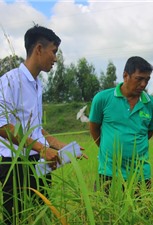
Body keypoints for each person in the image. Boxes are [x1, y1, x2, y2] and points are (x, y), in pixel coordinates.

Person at [0, 25, 72, 224]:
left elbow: (36, 127)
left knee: (40, 217)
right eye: (54, 52)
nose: (55, 58)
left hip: (38, 163)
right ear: (39, 49)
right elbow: (3, 126)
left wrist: (60, 146)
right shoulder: (9, 81)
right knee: (15, 218)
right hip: (14, 165)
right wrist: (42, 150)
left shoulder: (37, 84)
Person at [89, 56, 153, 192]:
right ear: (125, 75)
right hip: (108, 171)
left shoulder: (150, 103)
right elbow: (94, 128)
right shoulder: (102, 99)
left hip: (141, 174)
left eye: (147, 80)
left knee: (142, 212)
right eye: (139, 79)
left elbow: (148, 132)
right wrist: (107, 149)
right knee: (105, 211)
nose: (144, 84)